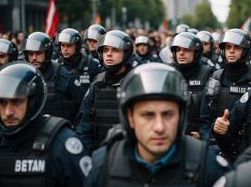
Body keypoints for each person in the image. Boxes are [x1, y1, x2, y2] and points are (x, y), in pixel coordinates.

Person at [84, 63, 231, 186]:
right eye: (148, 115)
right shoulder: (104, 164)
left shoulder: (207, 166)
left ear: (180, 116)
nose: (159, 127)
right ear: (130, 117)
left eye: (168, 114)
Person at [0, 62, 91, 187]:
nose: (8, 112)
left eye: (17, 102)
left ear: (33, 102)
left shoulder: (62, 144)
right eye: (3, 103)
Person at [200, 28, 251, 141]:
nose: (232, 51)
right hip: (217, 146)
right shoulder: (216, 78)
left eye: (237, 47)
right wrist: (211, 139)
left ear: (245, 51)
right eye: (228, 47)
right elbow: (204, 121)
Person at [77, 30, 133, 152]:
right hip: (100, 155)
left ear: (126, 53)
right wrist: (92, 154)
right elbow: (84, 125)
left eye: (115, 50)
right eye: (105, 50)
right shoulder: (97, 83)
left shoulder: (137, 82)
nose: (108, 54)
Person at [23, 32, 85, 125]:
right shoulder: (23, 76)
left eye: (38, 53)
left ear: (47, 53)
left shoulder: (64, 75)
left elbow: (83, 109)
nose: (34, 58)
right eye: (30, 54)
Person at [170, 31, 214, 138]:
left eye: (186, 50)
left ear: (196, 52)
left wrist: (202, 134)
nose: (181, 53)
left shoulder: (208, 73)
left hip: (196, 136)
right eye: (178, 49)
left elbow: (211, 111)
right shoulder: (169, 73)